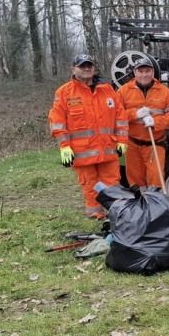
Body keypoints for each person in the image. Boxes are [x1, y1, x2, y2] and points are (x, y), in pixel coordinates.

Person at [48, 54, 128, 221]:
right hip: (82, 152)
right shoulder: (64, 92)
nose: (86, 69)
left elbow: (120, 117)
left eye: (89, 65)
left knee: (112, 184)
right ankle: (95, 215)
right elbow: (57, 122)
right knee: (90, 185)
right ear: (73, 69)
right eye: (82, 66)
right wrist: (64, 147)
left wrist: (122, 140)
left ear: (94, 67)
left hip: (108, 149)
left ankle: (114, 215)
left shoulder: (107, 90)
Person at [117, 58, 169, 188]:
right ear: (135, 72)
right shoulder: (123, 91)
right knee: (135, 183)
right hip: (132, 144)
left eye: (147, 71)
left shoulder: (164, 91)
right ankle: (139, 205)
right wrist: (135, 114)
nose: (144, 74)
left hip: (155, 144)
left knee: (156, 181)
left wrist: (155, 122)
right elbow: (115, 116)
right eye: (141, 71)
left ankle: (154, 206)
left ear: (153, 72)